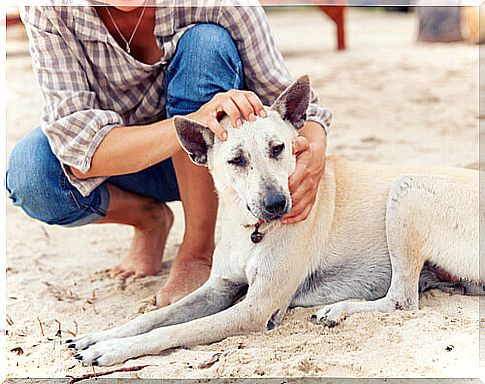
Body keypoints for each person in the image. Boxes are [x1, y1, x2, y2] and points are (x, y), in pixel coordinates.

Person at [6, 1, 331, 307]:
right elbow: (78, 150)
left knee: (206, 44)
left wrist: (313, 154)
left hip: (218, 165)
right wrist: (196, 119)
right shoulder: (50, 9)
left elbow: (302, 111)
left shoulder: (223, 4)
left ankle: (197, 251)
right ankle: (149, 218)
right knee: (32, 175)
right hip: (124, 160)